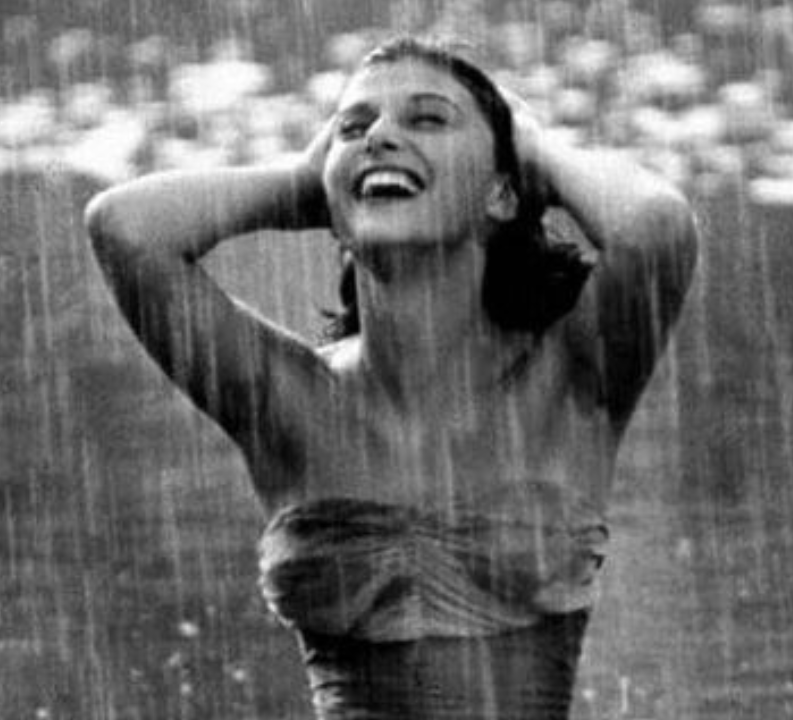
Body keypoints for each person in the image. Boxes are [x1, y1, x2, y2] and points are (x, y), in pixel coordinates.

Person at [85, 36, 697, 720]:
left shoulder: (571, 383)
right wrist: (303, 183)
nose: (378, 136)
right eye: (352, 128)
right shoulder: (290, 403)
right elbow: (126, 229)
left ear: (502, 191)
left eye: (428, 118)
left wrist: (534, 151)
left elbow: (658, 229)